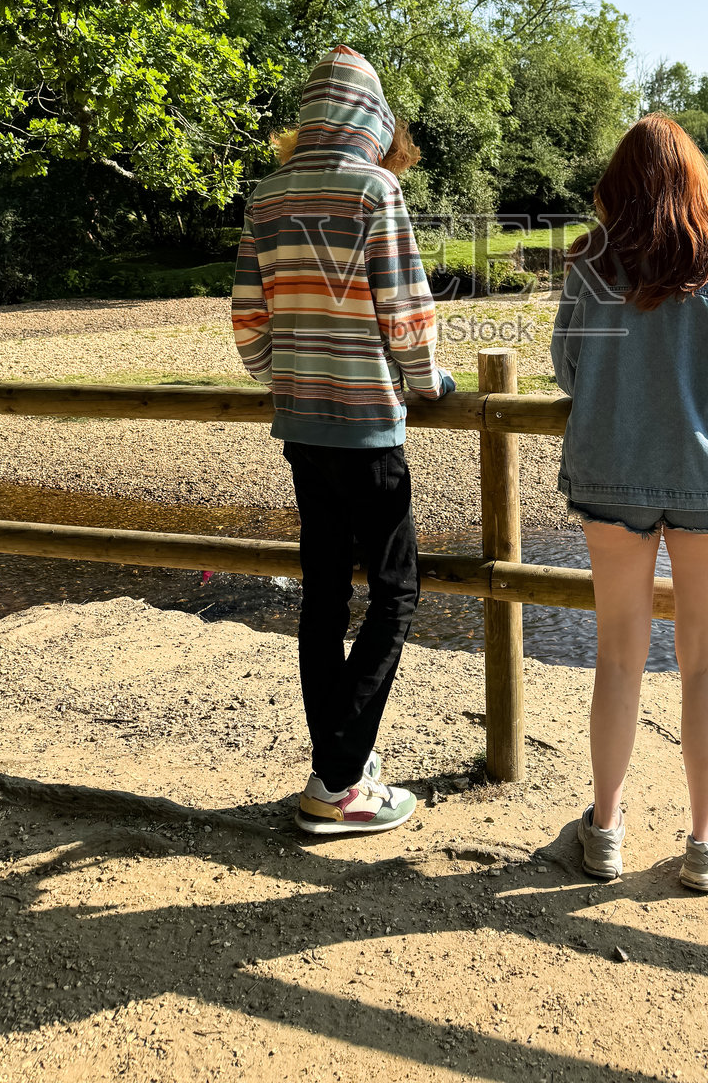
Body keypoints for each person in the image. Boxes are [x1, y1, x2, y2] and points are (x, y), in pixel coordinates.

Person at [550, 114, 708, 890]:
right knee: (705, 662)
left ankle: (605, 831)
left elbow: (568, 368)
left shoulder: (590, 263)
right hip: (707, 473)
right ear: (694, 179)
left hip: (610, 471)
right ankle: (707, 842)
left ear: (615, 185)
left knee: (617, 655)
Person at [232, 46, 455, 836]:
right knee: (396, 592)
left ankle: (339, 766)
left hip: (301, 424)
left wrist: (283, 376)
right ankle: (337, 782)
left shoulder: (266, 195)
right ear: (370, 118)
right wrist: (428, 382)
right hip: (366, 425)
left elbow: (249, 320)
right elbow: (406, 311)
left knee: (324, 594)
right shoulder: (374, 190)